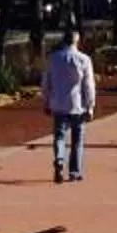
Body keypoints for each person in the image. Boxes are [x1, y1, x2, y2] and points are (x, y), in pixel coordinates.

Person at [41, 29, 95, 184]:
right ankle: (74, 171)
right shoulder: (84, 60)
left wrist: (46, 101)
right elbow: (88, 85)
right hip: (77, 104)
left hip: (59, 103)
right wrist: (90, 106)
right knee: (77, 139)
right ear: (76, 41)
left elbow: (46, 82)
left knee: (59, 135)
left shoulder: (53, 59)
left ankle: (59, 158)